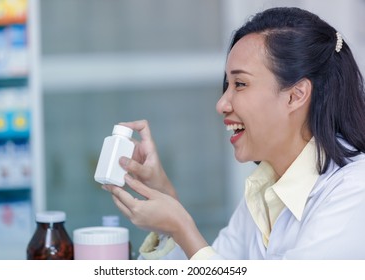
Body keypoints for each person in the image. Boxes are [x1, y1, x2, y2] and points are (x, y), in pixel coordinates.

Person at [103, 7, 365, 259]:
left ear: (295, 96)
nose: (221, 104)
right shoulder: (266, 188)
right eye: (228, 85)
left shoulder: (355, 192)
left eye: (240, 84)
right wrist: (164, 201)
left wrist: (182, 226)